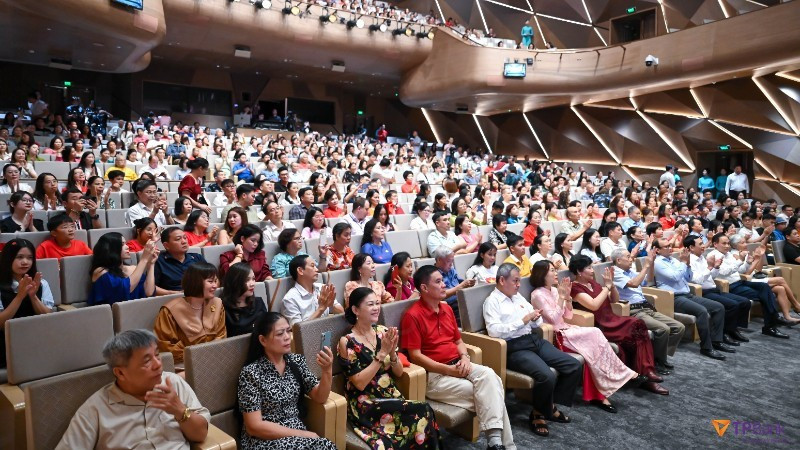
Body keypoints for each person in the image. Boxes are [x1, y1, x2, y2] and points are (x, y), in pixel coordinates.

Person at [401, 265, 516, 450]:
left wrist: (465, 357)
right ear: (424, 288)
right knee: (492, 393)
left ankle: (496, 444)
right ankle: (501, 445)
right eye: (438, 281)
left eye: (442, 280)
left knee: (490, 376)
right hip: (436, 376)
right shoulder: (412, 315)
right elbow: (415, 356)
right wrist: (448, 370)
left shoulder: (446, 309)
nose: (444, 284)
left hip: (459, 366)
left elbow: (458, 341)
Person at [56, 329, 211, 449]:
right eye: (147, 361)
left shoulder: (173, 383)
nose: (158, 364)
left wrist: (179, 410)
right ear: (120, 372)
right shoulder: (95, 409)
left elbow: (201, 433)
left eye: (157, 355)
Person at [338, 287, 443, 449]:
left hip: (389, 394)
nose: (376, 308)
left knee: (420, 416)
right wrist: (381, 354)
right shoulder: (347, 342)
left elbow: (399, 372)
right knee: (423, 410)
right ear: (355, 310)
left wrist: (393, 354)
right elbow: (359, 383)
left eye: (378, 303)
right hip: (366, 403)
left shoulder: (382, 332)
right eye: (370, 304)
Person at [531, 261, 636, 413]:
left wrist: (566, 298)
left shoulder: (554, 290)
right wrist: (561, 298)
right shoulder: (537, 294)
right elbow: (553, 319)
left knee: (592, 349)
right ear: (542, 274)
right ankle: (619, 374)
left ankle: (605, 388)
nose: (556, 274)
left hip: (566, 328)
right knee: (594, 332)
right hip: (554, 335)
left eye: (555, 270)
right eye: (552, 270)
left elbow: (568, 315)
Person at [569, 255, 669, 395]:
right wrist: (606, 287)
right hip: (601, 325)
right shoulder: (575, 288)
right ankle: (647, 374)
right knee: (637, 325)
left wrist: (612, 285)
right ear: (579, 271)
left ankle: (646, 375)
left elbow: (615, 299)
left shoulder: (594, 283)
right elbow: (593, 305)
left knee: (639, 331)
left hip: (613, 319)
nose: (593, 271)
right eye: (589, 268)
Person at [237, 313, 336, 450]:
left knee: (325, 446)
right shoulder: (251, 373)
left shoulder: (296, 362)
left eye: (288, 331)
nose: (287, 337)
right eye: (279, 334)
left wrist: (327, 370)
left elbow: (320, 397)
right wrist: (303, 434)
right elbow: (254, 426)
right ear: (263, 340)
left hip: (298, 436)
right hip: (264, 440)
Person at [651, 238, 734, 357]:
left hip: (687, 294)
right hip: (673, 298)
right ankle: (706, 347)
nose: (670, 248)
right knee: (702, 311)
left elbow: (688, 278)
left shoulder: (673, 260)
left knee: (718, 307)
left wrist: (687, 265)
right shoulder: (658, 263)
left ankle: (716, 341)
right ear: (657, 250)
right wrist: (684, 263)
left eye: (670, 245)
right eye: (666, 246)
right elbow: (674, 277)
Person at [611, 249, 685, 373]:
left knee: (679, 327)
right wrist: (645, 265)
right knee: (663, 329)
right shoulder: (615, 272)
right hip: (633, 310)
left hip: (646, 307)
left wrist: (651, 264)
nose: (631, 259)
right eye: (628, 257)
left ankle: (659, 356)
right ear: (618, 260)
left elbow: (649, 280)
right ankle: (657, 361)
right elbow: (634, 284)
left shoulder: (630, 271)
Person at [705, 233, 789, 337]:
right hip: (729, 286)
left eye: (728, 243)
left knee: (764, 287)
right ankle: (771, 323)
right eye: (724, 243)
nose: (727, 246)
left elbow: (740, 270)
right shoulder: (713, 255)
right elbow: (724, 272)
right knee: (766, 295)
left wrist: (747, 263)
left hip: (739, 282)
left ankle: (772, 321)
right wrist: (740, 260)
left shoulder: (728, 254)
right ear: (715, 244)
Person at [685, 235, 754, 341]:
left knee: (745, 302)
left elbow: (711, 276)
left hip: (713, 289)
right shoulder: (689, 261)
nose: (704, 246)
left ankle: (733, 329)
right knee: (732, 305)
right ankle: (725, 332)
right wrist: (709, 267)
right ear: (691, 247)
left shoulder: (702, 257)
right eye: (700, 244)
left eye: (703, 243)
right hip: (702, 292)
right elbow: (697, 280)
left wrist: (715, 267)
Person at [154, 262, 226, 365]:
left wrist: (209, 356)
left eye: (215, 281)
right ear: (195, 282)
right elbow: (165, 346)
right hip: (184, 363)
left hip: (214, 358)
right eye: (210, 281)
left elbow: (221, 336)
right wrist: (197, 357)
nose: (215, 286)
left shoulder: (217, 304)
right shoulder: (170, 311)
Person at [0, 239, 54, 368]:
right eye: (19, 257)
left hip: (36, 336)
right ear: (8, 259)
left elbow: (48, 318)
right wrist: (20, 296)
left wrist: (33, 296)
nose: (25, 262)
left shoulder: (41, 283)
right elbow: (1, 324)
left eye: (29, 258)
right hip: (7, 341)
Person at [88, 233, 158, 306]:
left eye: (126, 244)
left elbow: (149, 292)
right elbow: (125, 289)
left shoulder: (133, 268)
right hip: (112, 314)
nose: (127, 247)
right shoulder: (100, 272)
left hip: (138, 310)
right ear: (111, 248)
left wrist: (151, 264)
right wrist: (144, 259)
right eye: (122, 244)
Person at [281, 254, 342, 326]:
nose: (317, 269)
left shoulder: (322, 288)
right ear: (300, 271)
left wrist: (331, 305)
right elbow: (297, 331)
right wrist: (321, 309)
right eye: (312, 266)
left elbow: (342, 313)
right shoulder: (290, 299)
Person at [153, 227, 208, 295]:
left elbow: (213, 279)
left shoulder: (197, 257)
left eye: (185, 238)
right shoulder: (158, 261)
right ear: (166, 245)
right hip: (172, 299)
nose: (184, 241)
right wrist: (174, 293)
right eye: (178, 239)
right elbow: (152, 287)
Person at [221, 262, 267, 337]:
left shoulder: (258, 302)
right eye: (247, 280)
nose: (252, 284)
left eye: (253, 279)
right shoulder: (224, 308)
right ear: (235, 281)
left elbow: (267, 327)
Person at [432, 246, 476, 325]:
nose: (451, 264)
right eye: (449, 261)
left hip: (461, 299)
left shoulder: (451, 269)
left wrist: (469, 283)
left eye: (452, 261)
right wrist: (460, 287)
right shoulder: (434, 274)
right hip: (450, 305)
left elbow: (460, 282)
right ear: (439, 260)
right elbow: (440, 295)